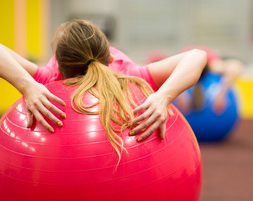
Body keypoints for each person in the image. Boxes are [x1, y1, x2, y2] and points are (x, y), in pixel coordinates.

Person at [1, 20, 206, 144]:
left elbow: (197, 56)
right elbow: (197, 55)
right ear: (109, 59)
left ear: (59, 64)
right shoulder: (133, 73)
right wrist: (28, 87)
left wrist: (163, 96)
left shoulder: (48, 76)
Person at [176, 46, 243, 115]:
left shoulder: (213, 65)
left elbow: (235, 67)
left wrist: (222, 94)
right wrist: (180, 95)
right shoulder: (183, 65)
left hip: (206, 59)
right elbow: (169, 73)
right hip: (187, 59)